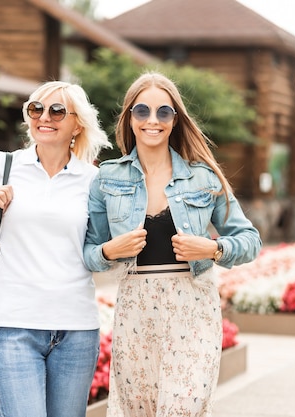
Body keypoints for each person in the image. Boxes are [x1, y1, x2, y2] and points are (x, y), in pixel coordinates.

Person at [83, 71, 262, 417]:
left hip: (193, 309)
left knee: (183, 407)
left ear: (175, 120)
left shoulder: (203, 177)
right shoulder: (107, 178)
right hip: (136, 310)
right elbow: (89, 252)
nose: (153, 120)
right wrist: (110, 251)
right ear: (129, 118)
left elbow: (249, 239)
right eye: (142, 112)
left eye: (163, 112)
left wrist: (212, 249)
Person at [0, 80, 112, 417]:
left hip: (76, 327)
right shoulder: (3, 166)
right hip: (14, 323)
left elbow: (101, 247)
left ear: (78, 124)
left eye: (57, 110)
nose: (44, 117)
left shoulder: (94, 181)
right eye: (36, 109)